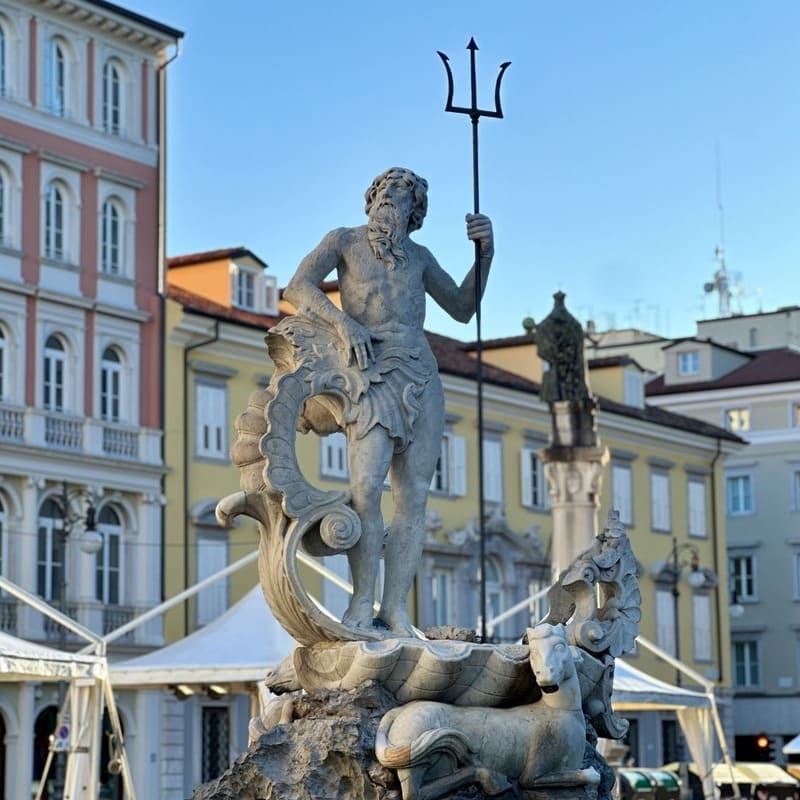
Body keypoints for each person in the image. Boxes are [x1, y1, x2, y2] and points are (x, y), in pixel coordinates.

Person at [284, 167, 493, 636]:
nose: (390, 198)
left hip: (420, 373)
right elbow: (298, 287)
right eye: (385, 189)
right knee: (365, 489)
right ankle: (360, 602)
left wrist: (485, 253)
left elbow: (462, 308)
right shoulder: (344, 241)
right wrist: (344, 325)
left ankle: (394, 608)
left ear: (414, 212)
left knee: (414, 496)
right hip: (369, 370)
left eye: (402, 194)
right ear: (372, 198)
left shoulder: (419, 258)